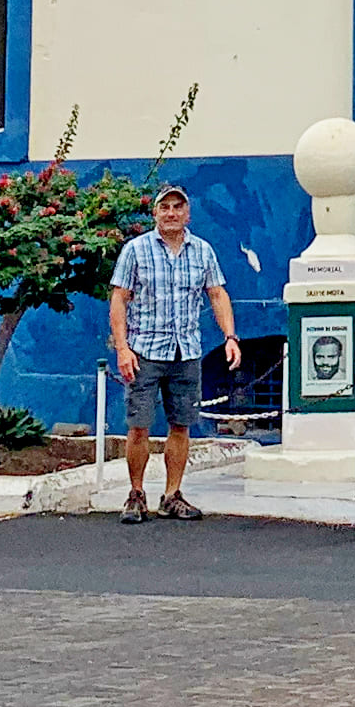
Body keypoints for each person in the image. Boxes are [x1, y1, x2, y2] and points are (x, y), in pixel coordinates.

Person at [109, 183, 240, 522]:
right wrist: (122, 348)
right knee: (138, 426)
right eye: (164, 207)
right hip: (145, 351)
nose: (171, 213)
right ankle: (136, 495)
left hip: (186, 351)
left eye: (177, 207)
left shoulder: (203, 251)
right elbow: (119, 299)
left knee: (181, 425)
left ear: (187, 213)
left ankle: (172, 495)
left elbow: (216, 294)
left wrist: (230, 336)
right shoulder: (135, 250)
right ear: (155, 214)